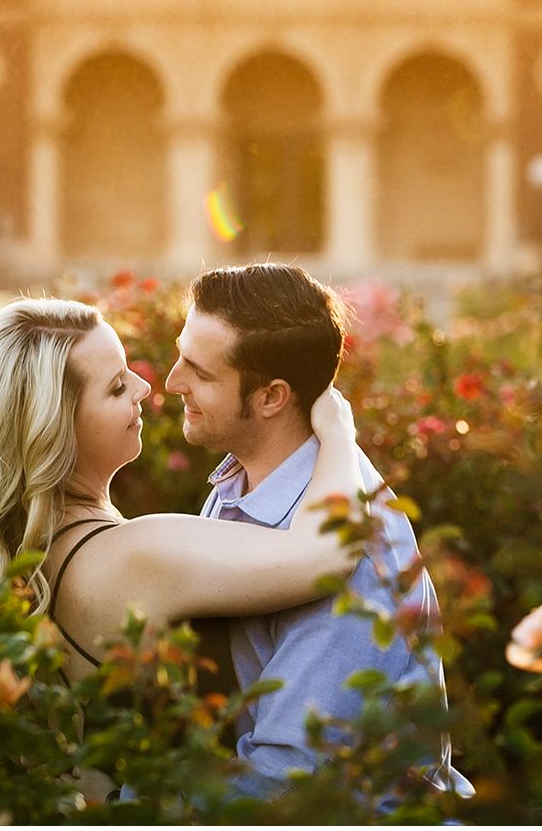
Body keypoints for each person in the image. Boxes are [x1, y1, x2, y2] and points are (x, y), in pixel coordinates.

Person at [0, 295, 365, 689]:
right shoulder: (133, 556)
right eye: (117, 386)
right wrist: (339, 430)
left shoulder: (31, 553)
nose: (144, 387)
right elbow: (327, 553)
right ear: (55, 430)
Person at [171, 263, 469, 800]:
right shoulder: (243, 484)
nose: (173, 383)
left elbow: (288, 781)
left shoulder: (356, 554)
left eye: (200, 372)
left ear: (270, 397)